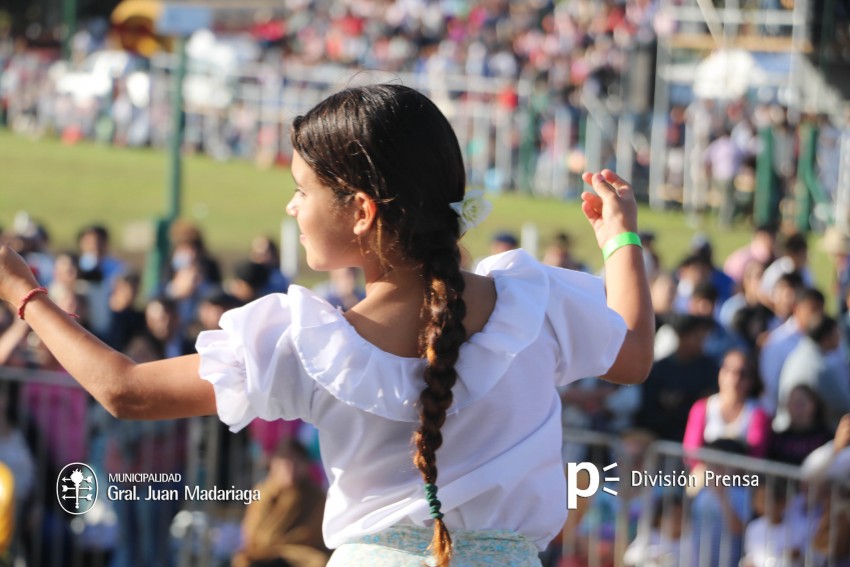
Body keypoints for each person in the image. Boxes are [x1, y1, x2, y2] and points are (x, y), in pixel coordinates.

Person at [0, 84, 654, 567]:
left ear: (362, 210)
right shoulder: (533, 301)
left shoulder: (305, 340)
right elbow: (632, 351)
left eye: (302, 188)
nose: (291, 205)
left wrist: (25, 296)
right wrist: (620, 236)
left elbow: (126, 389)